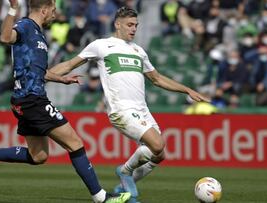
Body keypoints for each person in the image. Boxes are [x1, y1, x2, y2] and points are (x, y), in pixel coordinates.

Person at [0, 1, 131, 203]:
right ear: (44, 10)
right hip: (32, 100)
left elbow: (37, 71)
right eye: (53, 9)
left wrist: (61, 78)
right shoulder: (26, 25)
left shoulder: (38, 33)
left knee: (39, 156)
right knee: (75, 143)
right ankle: (101, 197)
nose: (56, 13)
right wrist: (12, 10)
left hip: (25, 100)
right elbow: (5, 37)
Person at [49, 6, 210, 202]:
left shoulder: (138, 51)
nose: (134, 29)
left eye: (136, 25)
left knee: (159, 155)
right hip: (121, 109)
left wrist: (187, 90)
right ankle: (124, 172)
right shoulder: (101, 45)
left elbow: (157, 79)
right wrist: (44, 75)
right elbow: (69, 64)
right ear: (118, 24)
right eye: (130, 25)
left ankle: (122, 186)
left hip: (143, 110)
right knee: (157, 144)